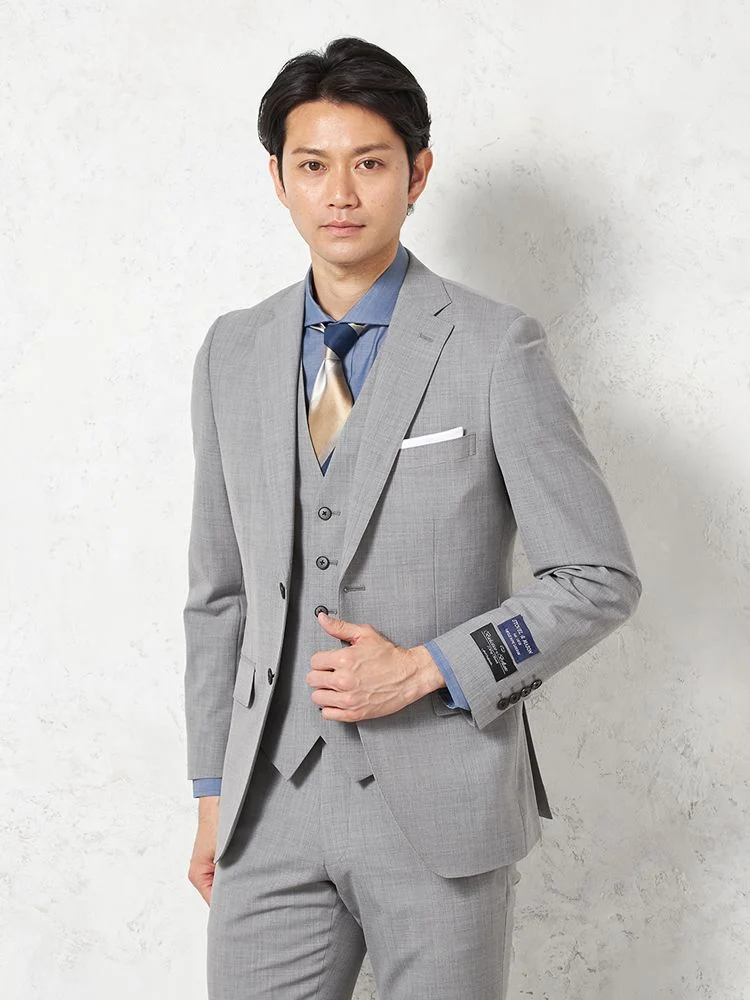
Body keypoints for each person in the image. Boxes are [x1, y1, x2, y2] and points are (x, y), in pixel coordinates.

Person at [183, 35, 642, 1000]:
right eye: (313, 165)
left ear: (416, 174)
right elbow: (219, 596)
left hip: (442, 807)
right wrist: (211, 791)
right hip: (266, 808)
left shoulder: (495, 347)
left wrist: (430, 667)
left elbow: (596, 579)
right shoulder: (232, 351)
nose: (340, 194)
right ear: (278, 179)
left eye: (370, 163)